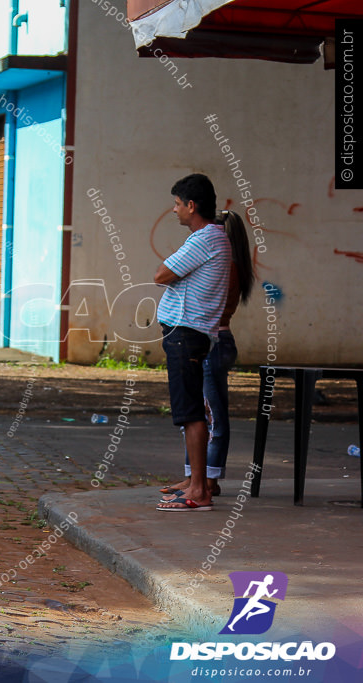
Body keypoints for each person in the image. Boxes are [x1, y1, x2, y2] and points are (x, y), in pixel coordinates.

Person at [161, 210, 256, 500]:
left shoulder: (224, 266)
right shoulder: (224, 263)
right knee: (196, 412)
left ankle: (209, 479)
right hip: (211, 342)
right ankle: (195, 476)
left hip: (213, 343)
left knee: (211, 416)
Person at [154, 173, 231, 512]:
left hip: (187, 335)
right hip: (189, 334)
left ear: (191, 205)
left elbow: (161, 275)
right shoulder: (212, 239)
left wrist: (174, 270)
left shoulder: (204, 239)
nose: (174, 211)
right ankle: (196, 481)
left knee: (191, 414)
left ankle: (199, 491)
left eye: (176, 204)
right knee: (191, 412)